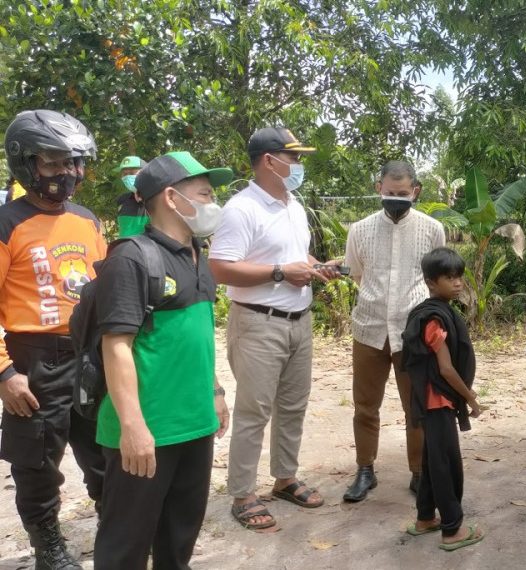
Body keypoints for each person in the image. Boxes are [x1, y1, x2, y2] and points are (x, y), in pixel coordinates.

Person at [93, 151, 233, 568]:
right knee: (125, 545)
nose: (212, 203)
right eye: (205, 193)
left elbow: (199, 334)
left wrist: (216, 391)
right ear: (172, 198)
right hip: (146, 431)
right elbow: (116, 345)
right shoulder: (132, 258)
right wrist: (133, 427)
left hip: (195, 424)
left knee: (179, 537)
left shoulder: (196, 253)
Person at [209, 127, 335, 530]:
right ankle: (243, 494)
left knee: (293, 405)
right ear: (270, 160)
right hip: (258, 323)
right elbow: (220, 267)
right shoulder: (241, 209)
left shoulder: (292, 204)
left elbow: (290, 255)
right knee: (254, 410)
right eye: (294, 157)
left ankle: (284, 478)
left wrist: (313, 266)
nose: (299, 165)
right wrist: (281, 272)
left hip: (299, 320)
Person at [0, 110, 106, 570]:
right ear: (25, 163)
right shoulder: (8, 223)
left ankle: (116, 528)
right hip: (35, 360)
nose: (67, 173)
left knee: (106, 450)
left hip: (89, 353)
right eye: (53, 162)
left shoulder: (87, 221)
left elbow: (104, 293)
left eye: (74, 162)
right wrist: (5, 372)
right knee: (38, 463)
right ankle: (49, 549)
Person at [342, 160, 446, 502]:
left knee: (415, 406)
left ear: (415, 192)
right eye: (390, 193)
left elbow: (435, 281)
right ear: (379, 189)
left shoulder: (432, 229)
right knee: (365, 406)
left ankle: (418, 472)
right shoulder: (360, 229)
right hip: (369, 328)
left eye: (403, 194)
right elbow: (358, 274)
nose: (396, 199)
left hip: (412, 332)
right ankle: (365, 470)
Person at [402, 247, 485, 551]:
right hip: (438, 401)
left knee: (431, 458)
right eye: (449, 278)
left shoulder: (438, 311)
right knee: (446, 465)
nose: (458, 283)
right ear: (431, 282)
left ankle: (425, 518)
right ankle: (452, 529)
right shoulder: (434, 319)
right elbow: (447, 370)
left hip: (435, 401)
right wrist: (471, 398)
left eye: (459, 276)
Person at [113, 155, 149, 238]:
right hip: (124, 248)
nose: (127, 177)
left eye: (132, 173)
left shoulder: (155, 199)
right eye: (124, 174)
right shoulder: (122, 200)